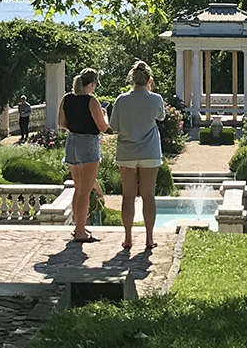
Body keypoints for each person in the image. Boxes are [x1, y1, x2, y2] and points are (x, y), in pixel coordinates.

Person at [109, 61, 167, 250]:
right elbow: (161, 117)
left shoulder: (121, 100)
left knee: (128, 196)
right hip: (150, 151)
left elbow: (114, 127)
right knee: (148, 196)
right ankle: (149, 239)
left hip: (126, 152)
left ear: (131, 79)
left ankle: (128, 238)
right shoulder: (155, 99)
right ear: (149, 80)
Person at [58, 68, 108, 243]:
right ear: (92, 84)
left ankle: (78, 226)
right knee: (85, 191)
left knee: (78, 188)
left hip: (72, 142)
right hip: (88, 143)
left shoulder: (67, 99)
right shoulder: (91, 101)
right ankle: (80, 231)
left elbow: (61, 123)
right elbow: (103, 127)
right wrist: (104, 115)